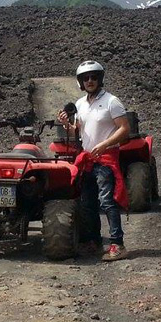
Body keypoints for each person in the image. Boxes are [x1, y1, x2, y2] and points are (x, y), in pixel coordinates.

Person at [57, 61, 130, 261]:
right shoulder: (80, 104)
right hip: (88, 159)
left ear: (100, 79)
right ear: (81, 81)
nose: (90, 81)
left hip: (106, 159)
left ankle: (117, 244)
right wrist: (66, 124)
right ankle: (95, 242)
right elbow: (77, 131)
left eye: (94, 77)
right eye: (86, 78)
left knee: (107, 201)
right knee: (88, 203)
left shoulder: (111, 101)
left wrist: (105, 144)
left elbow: (125, 128)